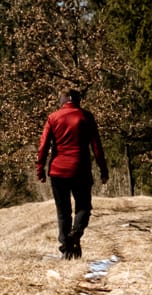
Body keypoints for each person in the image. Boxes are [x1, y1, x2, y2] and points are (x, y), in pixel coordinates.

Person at [36, 89, 108, 259]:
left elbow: (43, 146)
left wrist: (40, 169)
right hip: (81, 169)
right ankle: (74, 236)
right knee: (83, 207)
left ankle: (66, 245)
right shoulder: (86, 116)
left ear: (63, 100)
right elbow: (97, 146)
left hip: (58, 171)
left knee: (63, 211)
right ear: (77, 100)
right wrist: (103, 169)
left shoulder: (53, 118)